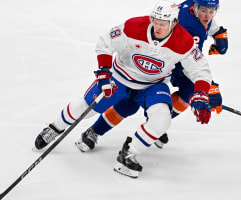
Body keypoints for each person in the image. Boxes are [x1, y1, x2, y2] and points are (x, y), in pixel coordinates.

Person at [35, 0, 213, 178]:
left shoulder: (185, 41)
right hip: (120, 78)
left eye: (163, 24)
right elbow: (105, 42)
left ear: (174, 23)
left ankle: (128, 153)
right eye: (156, 22)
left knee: (162, 119)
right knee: (86, 107)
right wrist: (104, 72)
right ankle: (54, 127)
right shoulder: (134, 26)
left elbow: (200, 70)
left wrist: (201, 93)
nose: (157, 27)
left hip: (152, 86)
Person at [74, 0, 229, 152]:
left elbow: (207, 27)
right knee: (131, 103)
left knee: (180, 97)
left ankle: (154, 126)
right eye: (204, 10)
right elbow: (189, 60)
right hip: (168, 64)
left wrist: (219, 33)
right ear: (195, 7)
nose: (208, 16)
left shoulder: (194, 10)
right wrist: (206, 87)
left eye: (212, 11)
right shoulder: (186, 24)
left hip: (171, 62)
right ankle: (99, 130)